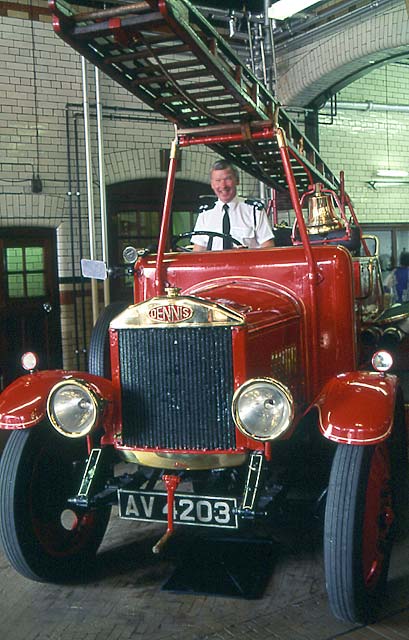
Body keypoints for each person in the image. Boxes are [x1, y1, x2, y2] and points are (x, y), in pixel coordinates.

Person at [192, 160, 275, 251]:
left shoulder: (254, 211)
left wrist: (248, 254)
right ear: (212, 184)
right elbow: (198, 251)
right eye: (218, 180)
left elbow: (269, 246)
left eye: (227, 179)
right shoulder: (205, 214)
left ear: (237, 181)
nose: (223, 186)